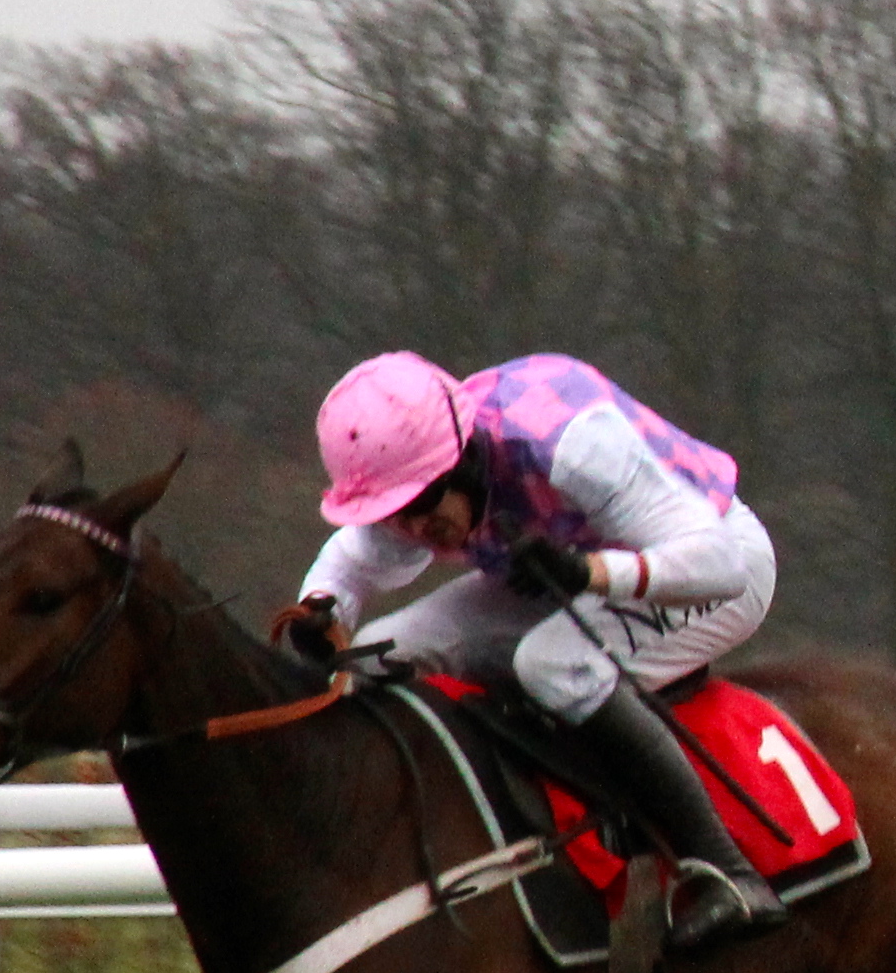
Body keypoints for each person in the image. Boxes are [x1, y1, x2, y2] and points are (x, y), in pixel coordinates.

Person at [272, 349, 785, 942]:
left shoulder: (570, 446)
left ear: (460, 460)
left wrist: (590, 573)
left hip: (715, 563)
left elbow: (719, 566)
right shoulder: (420, 460)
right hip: (565, 576)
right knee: (381, 653)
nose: (412, 530)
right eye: (393, 515)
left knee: (551, 666)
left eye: (419, 507)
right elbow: (349, 564)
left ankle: (728, 873)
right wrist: (322, 612)